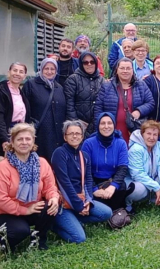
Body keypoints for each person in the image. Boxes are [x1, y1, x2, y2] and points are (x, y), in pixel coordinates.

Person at [0, 123, 59, 252]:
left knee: (51, 206)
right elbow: (1, 199)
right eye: (20, 139)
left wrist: (54, 198)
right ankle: (4, 242)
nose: (24, 142)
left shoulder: (41, 163)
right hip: (6, 212)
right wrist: (25, 210)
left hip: (32, 208)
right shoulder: (3, 167)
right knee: (20, 231)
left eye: (28, 139)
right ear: (12, 143)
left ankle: (38, 241)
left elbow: (50, 187)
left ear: (33, 142)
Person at [51, 120, 112, 244]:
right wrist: (79, 206)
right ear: (65, 137)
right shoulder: (59, 153)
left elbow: (88, 180)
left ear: (82, 136)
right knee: (79, 238)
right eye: (71, 133)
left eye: (78, 133)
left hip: (80, 200)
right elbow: (64, 183)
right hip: (64, 204)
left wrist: (88, 201)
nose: (75, 136)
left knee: (107, 213)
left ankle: (74, 219)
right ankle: (54, 226)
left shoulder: (84, 155)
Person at [94, 57, 154, 143]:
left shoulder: (141, 85)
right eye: (122, 68)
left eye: (128, 68)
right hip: (111, 128)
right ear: (117, 70)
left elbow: (150, 102)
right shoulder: (107, 86)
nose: (125, 71)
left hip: (133, 129)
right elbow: (98, 107)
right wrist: (100, 125)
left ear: (132, 70)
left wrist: (139, 111)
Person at [82, 113, 129, 210]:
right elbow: (85, 169)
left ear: (114, 125)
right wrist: (94, 189)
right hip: (94, 181)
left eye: (109, 123)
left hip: (112, 181)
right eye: (102, 123)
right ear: (98, 126)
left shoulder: (121, 143)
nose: (106, 126)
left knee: (121, 187)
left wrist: (113, 186)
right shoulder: (88, 143)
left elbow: (123, 168)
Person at [22, 58, 66, 162]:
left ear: (56, 71)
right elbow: (25, 109)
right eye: (46, 68)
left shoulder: (59, 88)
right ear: (41, 69)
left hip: (57, 135)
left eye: (52, 69)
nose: (49, 71)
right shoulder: (31, 84)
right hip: (39, 133)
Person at [125, 120, 160, 209]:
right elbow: (137, 174)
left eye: (155, 134)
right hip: (134, 181)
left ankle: (155, 200)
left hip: (151, 179)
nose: (152, 137)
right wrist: (157, 188)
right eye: (149, 133)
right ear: (142, 134)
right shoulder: (135, 149)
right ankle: (127, 204)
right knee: (139, 190)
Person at [64, 52, 105, 137]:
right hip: (79, 127)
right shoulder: (73, 80)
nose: (89, 64)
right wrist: (76, 124)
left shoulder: (102, 81)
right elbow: (69, 105)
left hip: (97, 126)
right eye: (85, 62)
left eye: (92, 62)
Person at [0, 62, 30, 158]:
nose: (17, 73)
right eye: (15, 70)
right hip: (6, 132)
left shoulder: (21, 93)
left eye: (21, 72)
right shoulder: (2, 90)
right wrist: (4, 139)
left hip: (19, 132)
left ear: (24, 76)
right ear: (9, 72)